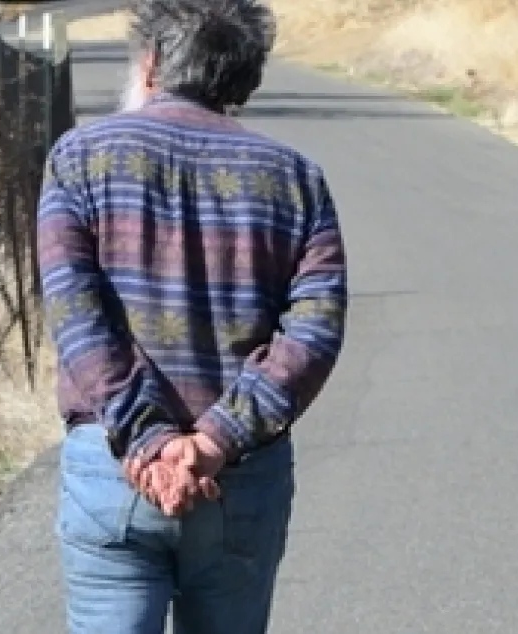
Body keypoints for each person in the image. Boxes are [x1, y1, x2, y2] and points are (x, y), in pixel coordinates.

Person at [35, 0, 347, 631]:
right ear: (244, 79)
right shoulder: (296, 180)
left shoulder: (78, 158)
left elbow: (77, 313)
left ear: (150, 61)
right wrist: (213, 440)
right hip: (240, 479)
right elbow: (314, 328)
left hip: (114, 468)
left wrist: (149, 438)